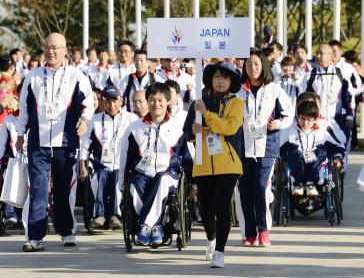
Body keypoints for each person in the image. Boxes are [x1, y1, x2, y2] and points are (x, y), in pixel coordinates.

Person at [16, 32, 94, 252]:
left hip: (66, 141)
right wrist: (21, 134)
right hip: (38, 143)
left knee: (63, 190)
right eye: (47, 47)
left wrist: (85, 120)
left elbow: (88, 102)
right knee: (39, 189)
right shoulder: (33, 76)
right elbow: (23, 109)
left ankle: (67, 232)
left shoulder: (76, 75)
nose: (51, 51)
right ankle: (35, 236)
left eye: (56, 48)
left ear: (65, 50)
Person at [183, 61, 244, 268]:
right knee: (206, 209)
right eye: (217, 76)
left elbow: (229, 127)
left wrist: (207, 115)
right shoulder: (198, 102)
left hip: (228, 163)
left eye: (225, 77)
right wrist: (194, 130)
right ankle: (211, 239)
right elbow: (187, 133)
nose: (220, 81)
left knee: (222, 207)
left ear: (231, 82)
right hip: (202, 163)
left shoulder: (236, 103)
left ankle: (220, 252)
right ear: (210, 79)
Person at [118, 82, 190, 247]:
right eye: (151, 99)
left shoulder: (178, 128)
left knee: (162, 179)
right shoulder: (134, 128)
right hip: (142, 173)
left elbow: (187, 156)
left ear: (167, 101)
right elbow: (125, 157)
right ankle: (156, 226)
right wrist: (121, 182)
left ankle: (145, 226)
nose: (156, 104)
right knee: (135, 184)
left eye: (160, 100)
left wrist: (193, 184)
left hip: (168, 173)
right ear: (147, 101)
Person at [235, 49, 294, 247]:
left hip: (267, 146)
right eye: (249, 64)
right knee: (245, 190)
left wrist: (278, 123)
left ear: (263, 66)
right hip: (243, 146)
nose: (252, 68)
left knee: (260, 187)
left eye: (256, 64)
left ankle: (264, 230)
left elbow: (289, 114)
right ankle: (249, 233)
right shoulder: (239, 91)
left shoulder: (274, 89)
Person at [80, 85, 137, 229]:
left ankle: (114, 215)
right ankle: (99, 215)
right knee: (99, 177)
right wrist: (82, 165)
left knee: (118, 177)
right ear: (103, 103)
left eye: (115, 101)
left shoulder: (131, 119)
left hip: (122, 165)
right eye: (108, 102)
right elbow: (85, 144)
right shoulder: (95, 120)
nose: (112, 105)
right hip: (102, 165)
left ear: (121, 101)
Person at [280, 100, 345, 197]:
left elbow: (337, 144)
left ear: (315, 119)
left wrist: (338, 157)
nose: (305, 123)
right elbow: (279, 146)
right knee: (295, 153)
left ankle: (310, 184)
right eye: (302, 119)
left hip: (315, 166)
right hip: (297, 165)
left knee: (319, 152)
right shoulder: (290, 129)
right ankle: (299, 185)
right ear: (298, 117)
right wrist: (276, 159)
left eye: (309, 120)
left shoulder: (322, 130)